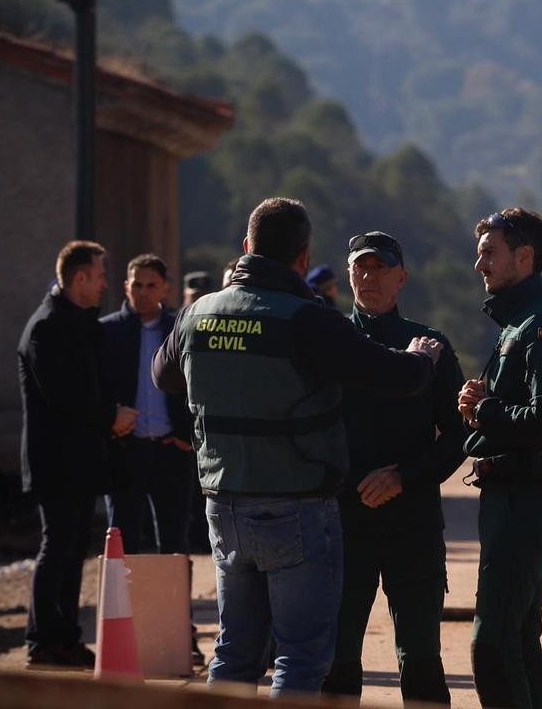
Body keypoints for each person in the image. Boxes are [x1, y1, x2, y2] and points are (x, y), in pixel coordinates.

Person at [152, 197, 443, 696]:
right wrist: (420, 358)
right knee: (301, 658)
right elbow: (394, 376)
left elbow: (164, 378)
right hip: (296, 507)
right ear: (304, 258)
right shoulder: (308, 318)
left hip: (224, 505)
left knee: (235, 651)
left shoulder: (198, 312)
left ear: (246, 247)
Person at [321, 231, 467, 703]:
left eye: (381, 267)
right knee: (337, 659)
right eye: (361, 267)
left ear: (401, 277)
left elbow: (461, 434)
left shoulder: (431, 347)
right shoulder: (329, 342)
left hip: (413, 522)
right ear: (348, 275)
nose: (370, 277)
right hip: (344, 523)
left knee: (421, 657)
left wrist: (402, 477)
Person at [456, 207, 542, 708]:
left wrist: (487, 409)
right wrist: (484, 406)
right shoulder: (517, 323)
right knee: (519, 641)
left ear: (524, 257)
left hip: (526, 498)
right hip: (507, 495)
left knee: (491, 646)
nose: (478, 264)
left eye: (490, 252)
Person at [18, 241, 138, 668]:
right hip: (56, 462)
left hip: (80, 460)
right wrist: (112, 416)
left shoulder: (78, 322)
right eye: (100, 275)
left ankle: (64, 637)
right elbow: (63, 396)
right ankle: (42, 641)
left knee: (72, 551)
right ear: (79, 278)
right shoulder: (47, 326)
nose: (106, 283)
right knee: (58, 547)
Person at [100, 254, 195, 555]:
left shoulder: (180, 328)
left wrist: (188, 435)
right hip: (126, 450)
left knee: (173, 542)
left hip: (171, 450)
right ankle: (125, 603)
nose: (142, 292)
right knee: (123, 540)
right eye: (136, 285)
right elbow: (96, 387)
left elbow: (198, 384)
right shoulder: (106, 331)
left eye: (150, 285)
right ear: (126, 286)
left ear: (165, 288)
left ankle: (174, 603)